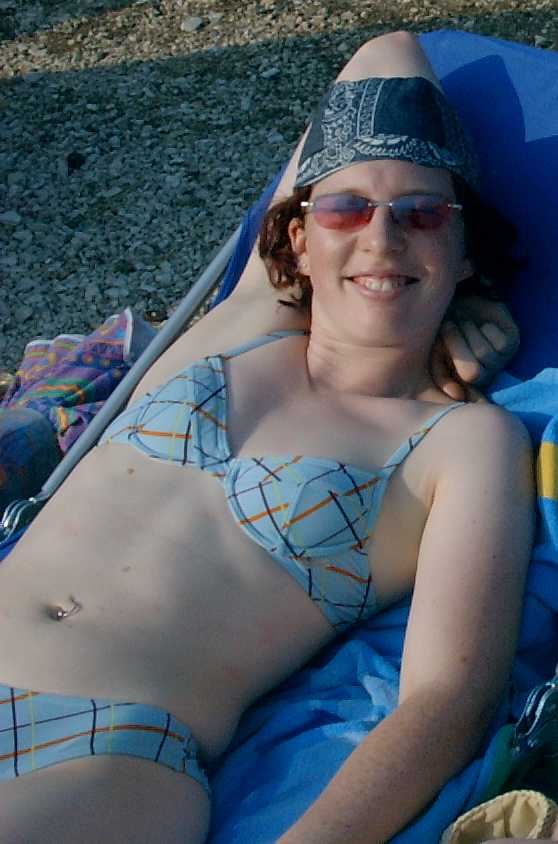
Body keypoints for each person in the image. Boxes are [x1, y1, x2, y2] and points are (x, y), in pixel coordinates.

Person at [0, 31, 534, 844]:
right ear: (297, 240)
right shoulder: (246, 320)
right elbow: (388, 51)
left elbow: (449, 699)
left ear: (465, 252)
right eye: (346, 208)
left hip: (101, 753)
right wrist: (441, 299)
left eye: (424, 216)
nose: (382, 238)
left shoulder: (463, 441)